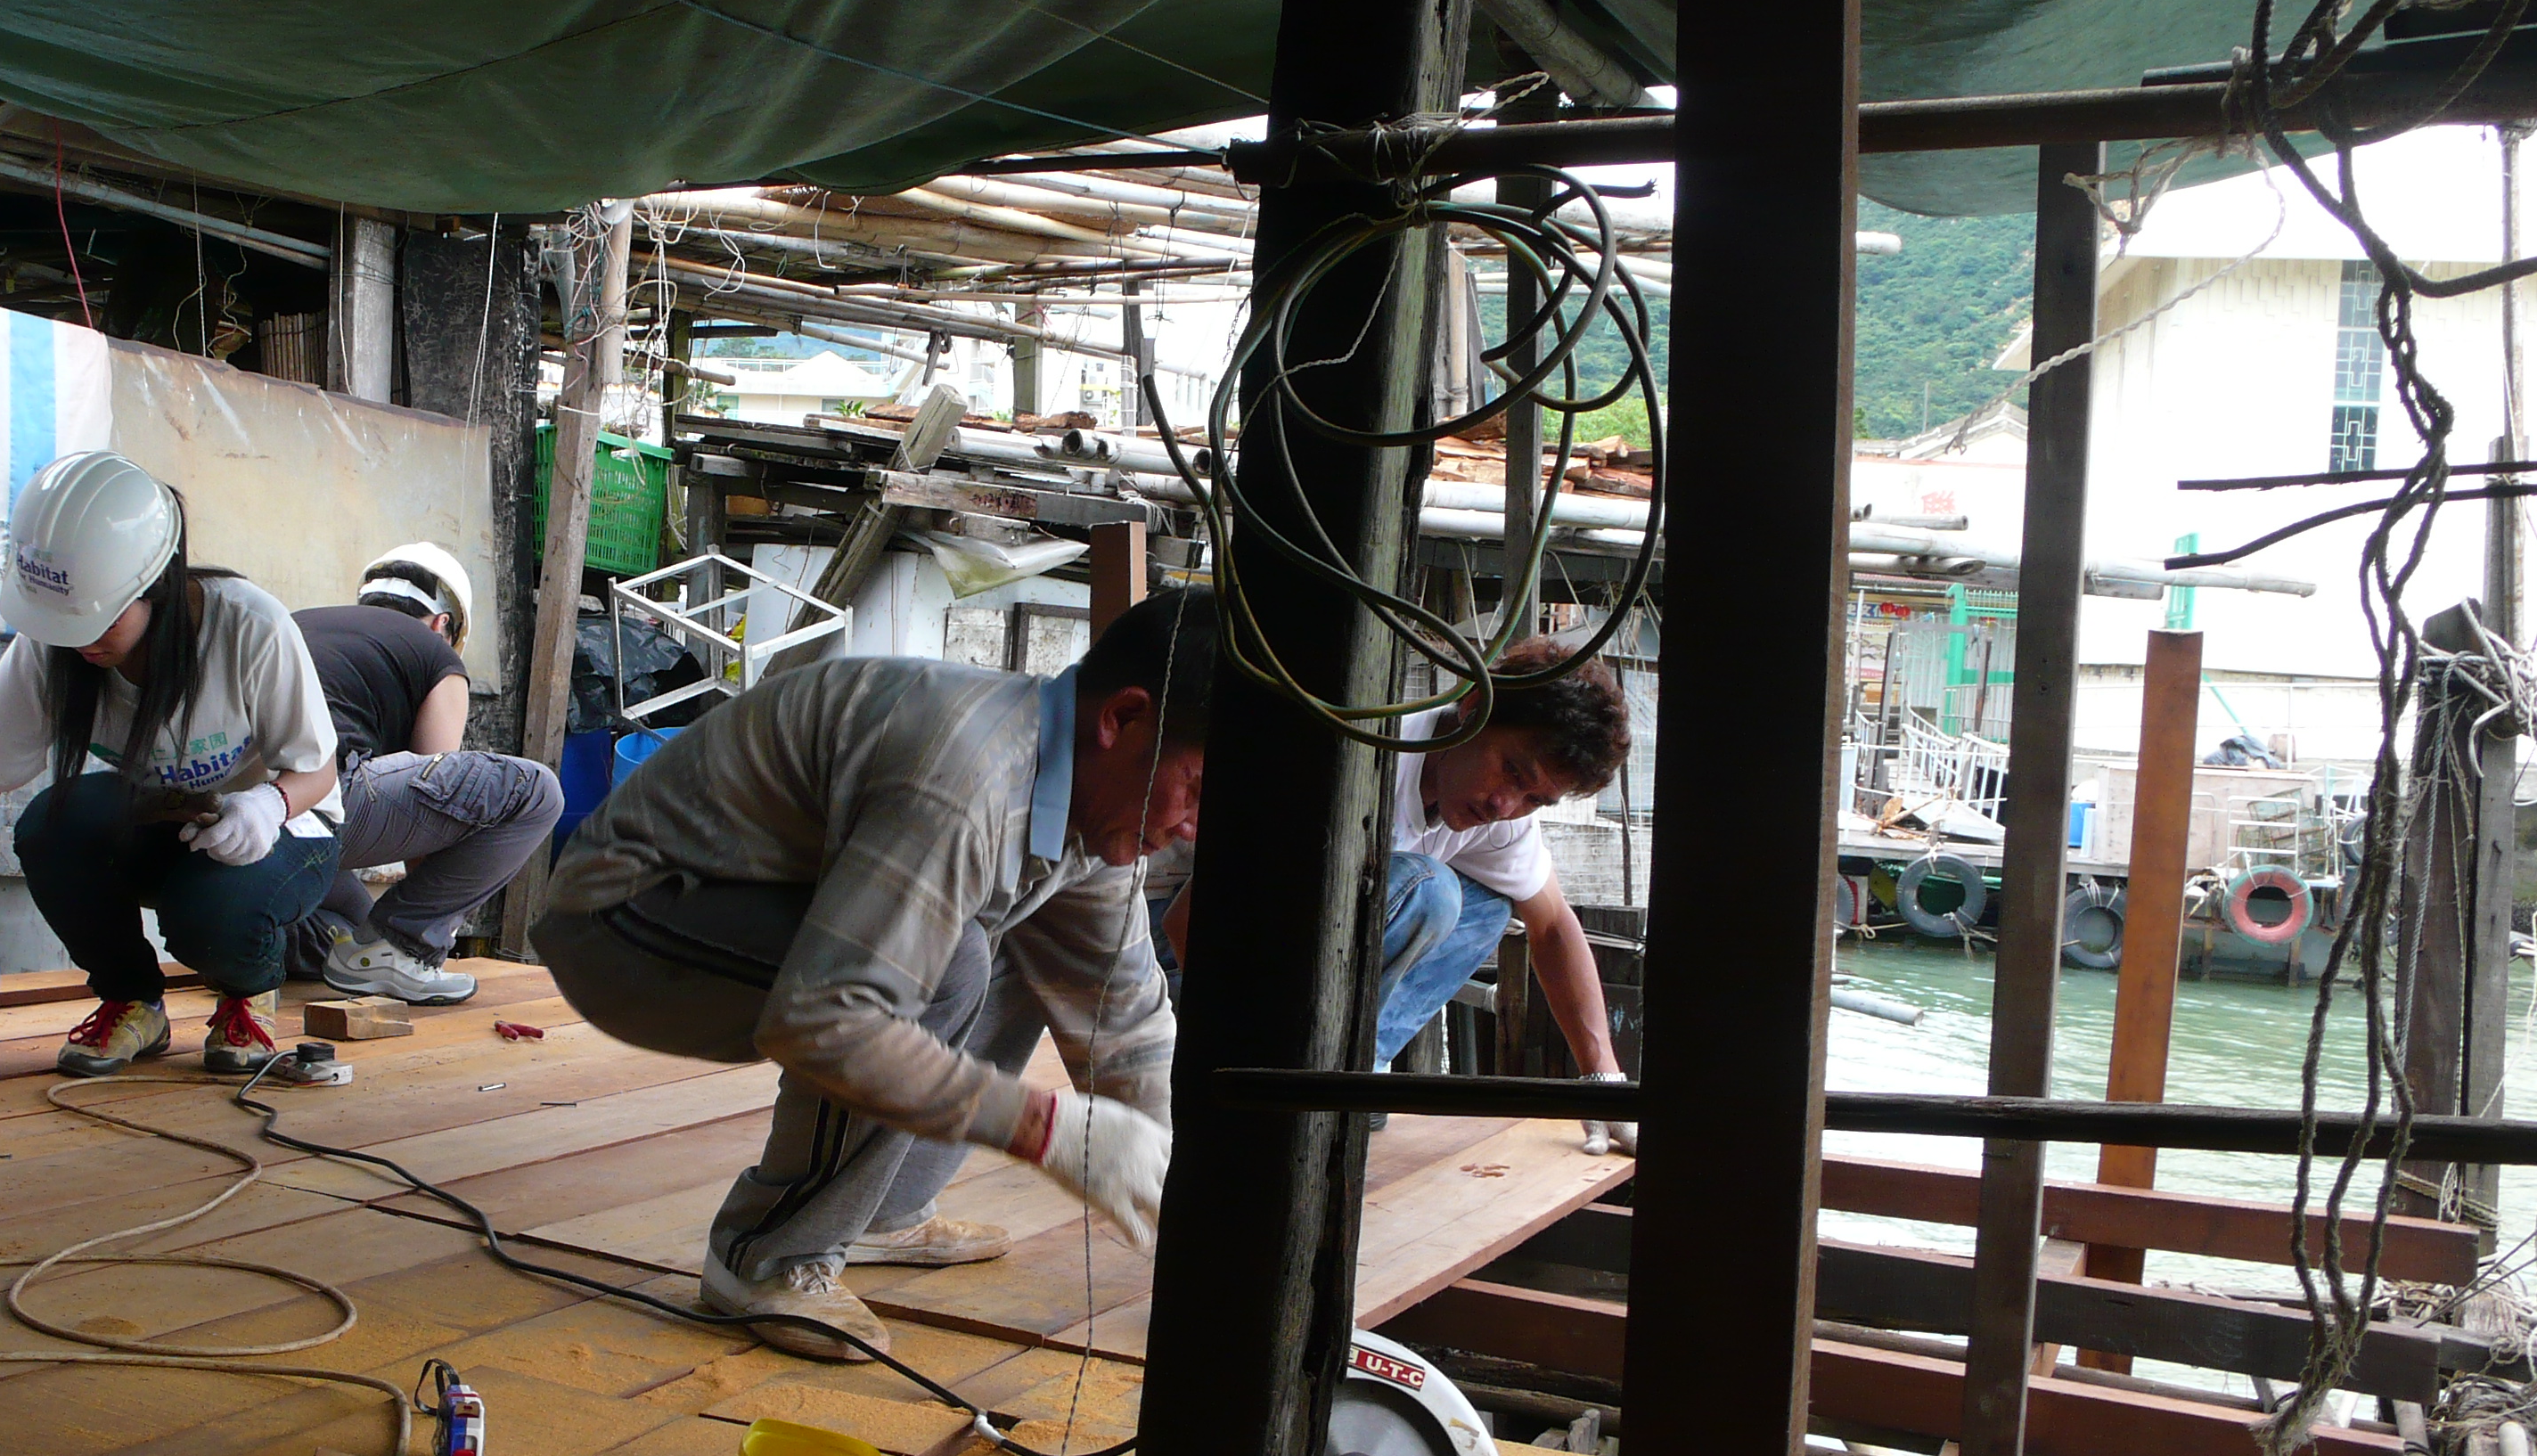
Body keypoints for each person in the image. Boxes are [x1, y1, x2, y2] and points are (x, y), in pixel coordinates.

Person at [528, 589, 1210, 1361]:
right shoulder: (971, 778)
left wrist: (1181, 1207)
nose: (1193, 830)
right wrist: (1047, 1130)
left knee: (1027, 947)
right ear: (1122, 720)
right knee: (951, 960)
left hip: (751, 919)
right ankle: (765, 1253)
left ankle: (881, 1208)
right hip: (625, 922)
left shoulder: (1091, 812)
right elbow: (827, 1020)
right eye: (1197, 788)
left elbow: (1124, 1023)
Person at [0, 449, 341, 1077]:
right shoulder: (50, 647)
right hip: (168, 826)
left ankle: (248, 991)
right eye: (63, 621)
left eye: (100, 616)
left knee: (209, 918)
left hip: (285, 830)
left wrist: (267, 804)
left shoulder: (250, 626)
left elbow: (319, 770)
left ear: (160, 588)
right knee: (50, 825)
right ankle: (134, 1002)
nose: (79, 639)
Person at [1162, 637, 1631, 1082]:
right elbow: (1188, 919)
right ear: (1473, 712)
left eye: (1536, 799)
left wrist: (1603, 1077)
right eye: (1511, 770)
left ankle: (1355, 1067)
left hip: (1302, 998)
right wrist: (1219, 1061)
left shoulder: (1503, 817)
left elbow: (1551, 927)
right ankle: (1292, 1066)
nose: (1505, 806)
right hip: (1193, 983)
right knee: (1431, 890)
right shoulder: (1353, 759)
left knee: (1490, 907)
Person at [290, 543, 562, 1005]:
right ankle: (402, 946)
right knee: (536, 792)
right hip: (316, 803)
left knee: (355, 929)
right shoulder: (436, 656)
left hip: (240, 824)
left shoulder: (304, 622)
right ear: (442, 625)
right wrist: (425, 933)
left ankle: (257, 948)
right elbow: (441, 812)